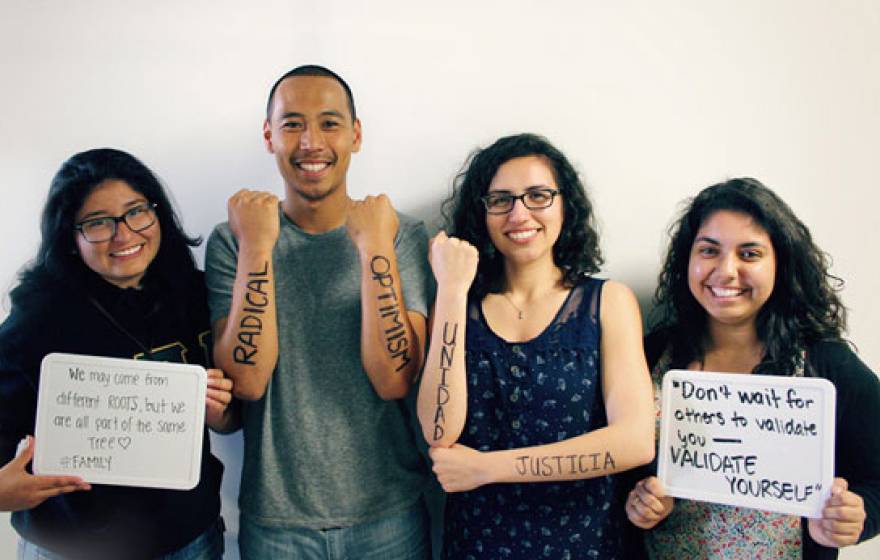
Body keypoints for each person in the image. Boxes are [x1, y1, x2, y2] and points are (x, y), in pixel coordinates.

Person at [205, 65, 433, 559]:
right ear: (269, 136)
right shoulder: (235, 240)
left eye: (329, 123)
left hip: (388, 514)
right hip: (277, 523)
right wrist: (259, 248)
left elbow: (395, 379)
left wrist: (374, 246)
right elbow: (246, 382)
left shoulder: (400, 235)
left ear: (356, 135)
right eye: (292, 124)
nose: (311, 141)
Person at [417, 133, 655, 559]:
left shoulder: (608, 302)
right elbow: (439, 430)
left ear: (565, 205)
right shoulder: (458, 306)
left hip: (587, 543)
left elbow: (635, 440)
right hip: (479, 544)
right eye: (501, 200)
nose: (519, 213)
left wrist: (488, 468)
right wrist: (452, 289)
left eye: (538, 195)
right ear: (483, 213)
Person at [624, 178, 880, 559]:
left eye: (749, 254)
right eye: (709, 250)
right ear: (688, 260)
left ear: (781, 263)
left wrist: (858, 515)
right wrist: (638, 503)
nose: (726, 271)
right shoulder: (651, 355)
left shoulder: (823, 363)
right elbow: (618, 472)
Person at [0, 148, 235, 559]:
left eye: (136, 212)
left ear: (156, 213)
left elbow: (232, 418)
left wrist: (222, 412)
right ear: (70, 237)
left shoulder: (197, 295)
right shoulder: (38, 317)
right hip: (70, 547)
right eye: (98, 223)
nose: (124, 235)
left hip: (187, 541)